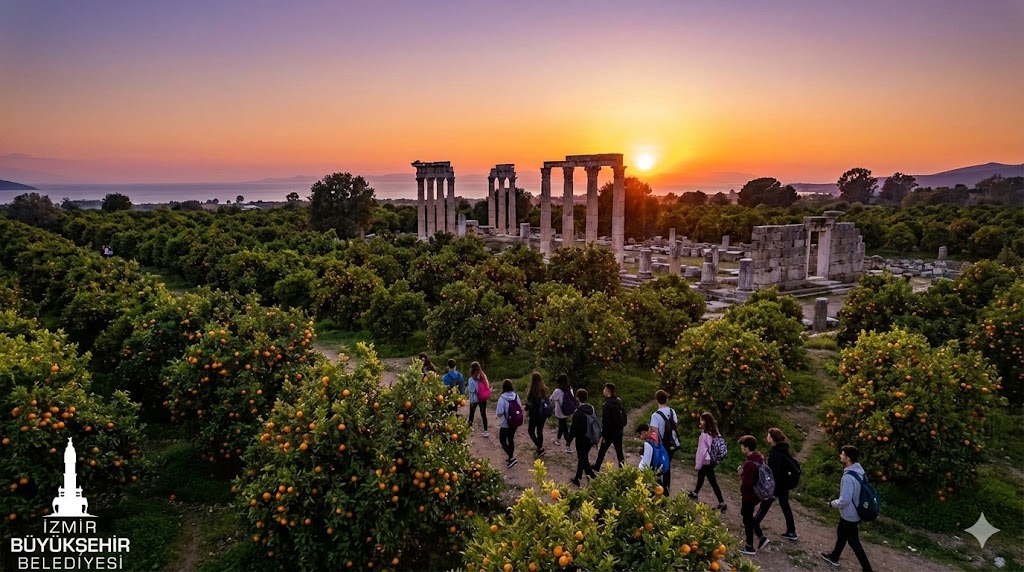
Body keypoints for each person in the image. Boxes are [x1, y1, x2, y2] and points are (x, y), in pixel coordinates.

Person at [821, 445, 873, 571]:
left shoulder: (848, 477)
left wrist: (832, 503)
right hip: (856, 512)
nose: (840, 456)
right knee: (842, 534)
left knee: (854, 542)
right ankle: (834, 556)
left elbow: (845, 499)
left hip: (850, 514)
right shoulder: (860, 472)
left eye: (842, 454)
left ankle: (867, 569)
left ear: (848, 458)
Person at [756, 428, 798, 540]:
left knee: (765, 504)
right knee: (785, 505)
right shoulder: (783, 450)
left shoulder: (775, 453)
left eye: (768, 436)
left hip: (777, 485)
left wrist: (773, 489)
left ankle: (754, 523)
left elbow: (775, 473)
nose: (767, 437)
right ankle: (791, 531)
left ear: (773, 438)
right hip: (784, 484)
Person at [737, 435, 770, 556]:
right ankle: (761, 538)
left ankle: (749, 546)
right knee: (747, 515)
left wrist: (741, 474)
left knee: (747, 518)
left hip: (749, 495)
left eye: (742, 446)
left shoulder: (749, 464)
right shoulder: (760, 457)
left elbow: (747, 483)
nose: (741, 448)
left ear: (746, 448)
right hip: (758, 494)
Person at [688, 412, 727, 512]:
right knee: (702, 476)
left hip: (706, 460)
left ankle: (722, 502)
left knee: (711, 480)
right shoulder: (715, 432)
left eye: (701, 420)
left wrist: (698, 464)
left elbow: (702, 452)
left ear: (705, 421)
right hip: (713, 460)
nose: (700, 422)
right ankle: (695, 492)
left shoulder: (705, 435)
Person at [566, 388, 598, 487]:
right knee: (583, 457)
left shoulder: (578, 413)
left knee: (583, 459)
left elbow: (573, 430)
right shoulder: (591, 408)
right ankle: (577, 478)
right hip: (591, 438)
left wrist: (568, 441)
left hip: (581, 440)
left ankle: (594, 479)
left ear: (577, 398)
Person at [649, 390, 679, 493]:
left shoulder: (655, 415)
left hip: (662, 445)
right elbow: (675, 425)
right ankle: (666, 490)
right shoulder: (672, 411)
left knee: (657, 466)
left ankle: (658, 489)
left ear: (657, 399)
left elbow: (655, 432)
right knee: (667, 466)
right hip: (672, 443)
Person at [592, 383, 626, 471]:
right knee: (619, 452)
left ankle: (597, 467)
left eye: (604, 389)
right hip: (619, 431)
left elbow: (606, 421)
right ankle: (623, 469)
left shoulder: (607, 404)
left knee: (602, 450)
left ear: (608, 391)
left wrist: (603, 435)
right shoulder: (618, 401)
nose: (603, 391)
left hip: (610, 433)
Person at [494, 379, 523, 469]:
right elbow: (520, 407)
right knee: (511, 439)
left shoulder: (502, 398)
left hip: (505, 423)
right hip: (514, 422)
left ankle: (511, 457)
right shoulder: (516, 396)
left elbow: (499, 413)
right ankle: (511, 456)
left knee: (502, 440)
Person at [637, 423, 669, 489]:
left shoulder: (648, 443)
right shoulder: (655, 436)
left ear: (643, 433)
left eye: (639, 434)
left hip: (653, 468)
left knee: (651, 487)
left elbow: (646, 461)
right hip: (659, 465)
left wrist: (639, 470)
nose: (640, 437)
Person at [525, 372, 549, 457]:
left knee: (530, 431)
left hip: (534, 414)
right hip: (543, 414)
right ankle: (539, 448)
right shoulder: (544, 389)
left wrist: (527, 408)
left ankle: (539, 447)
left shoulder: (532, 391)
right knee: (539, 431)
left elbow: (530, 403)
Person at [550, 373, 573, 451]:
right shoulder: (570, 389)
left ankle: (568, 446)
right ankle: (558, 440)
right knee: (562, 424)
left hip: (560, 412)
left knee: (564, 427)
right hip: (567, 411)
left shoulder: (557, 391)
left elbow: (551, 399)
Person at [466, 361, 489, 437]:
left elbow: (472, 390)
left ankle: (468, 429)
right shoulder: (483, 376)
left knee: (471, 414)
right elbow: (487, 386)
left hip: (474, 399)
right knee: (483, 414)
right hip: (482, 398)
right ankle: (486, 430)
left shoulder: (471, 379)